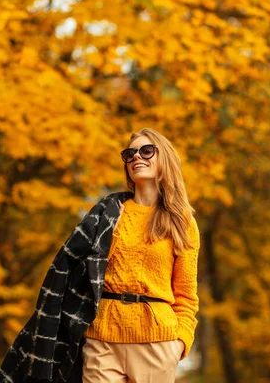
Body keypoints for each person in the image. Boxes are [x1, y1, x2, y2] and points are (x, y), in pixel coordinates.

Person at [81, 128, 201, 383]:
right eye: (130, 153)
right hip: (102, 340)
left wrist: (179, 343)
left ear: (164, 158)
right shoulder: (108, 214)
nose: (137, 157)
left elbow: (186, 295)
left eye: (147, 150)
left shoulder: (182, 222)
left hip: (157, 343)